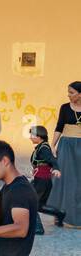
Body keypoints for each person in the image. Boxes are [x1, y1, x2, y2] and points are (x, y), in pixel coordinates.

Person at [49, 81, 81, 228]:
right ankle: (60, 214)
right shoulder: (65, 108)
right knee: (65, 180)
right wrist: (53, 145)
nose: (69, 95)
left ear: (80, 94)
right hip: (67, 146)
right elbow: (59, 126)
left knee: (78, 182)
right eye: (68, 92)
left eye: (72, 92)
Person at [28, 126, 57, 235]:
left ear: (39, 136)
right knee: (39, 205)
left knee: (31, 202)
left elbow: (52, 159)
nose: (30, 137)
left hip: (42, 181)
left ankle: (38, 228)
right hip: (42, 180)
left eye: (32, 135)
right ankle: (60, 213)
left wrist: (56, 168)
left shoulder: (44, 148)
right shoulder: (41, 147)